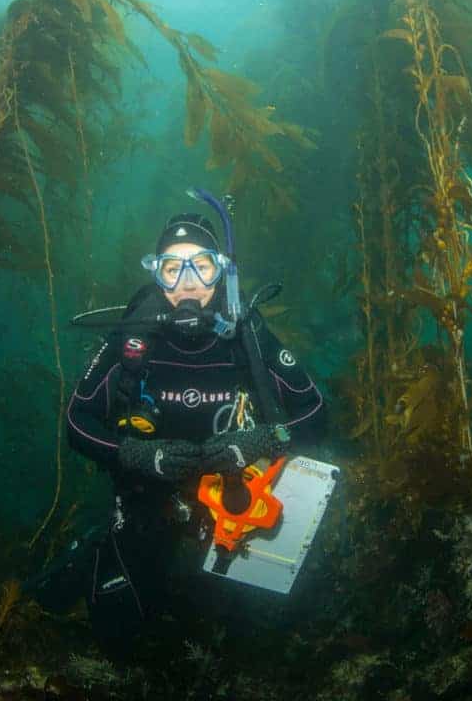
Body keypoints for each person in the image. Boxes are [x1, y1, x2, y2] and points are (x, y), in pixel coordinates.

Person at [62, 208, 325, 651]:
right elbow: (76, 423)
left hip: (236, 512)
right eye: (172, 268)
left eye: (201, 266)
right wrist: (135, 454)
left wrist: (260, 441)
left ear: (222, 273)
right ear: (157, 275)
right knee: (121, 633)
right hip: (150, 507)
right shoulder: (135, 339)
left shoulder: (246, 333)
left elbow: (314, 413)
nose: (187, 282)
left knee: (260, 641)